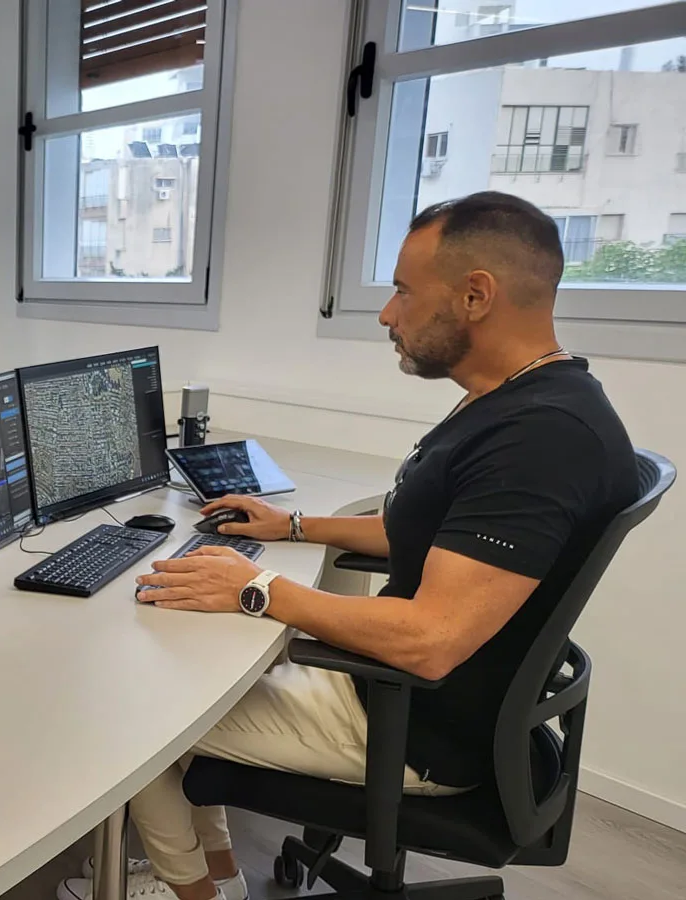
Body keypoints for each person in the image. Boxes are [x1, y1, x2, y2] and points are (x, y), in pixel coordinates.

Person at [58, 190, 640, 900]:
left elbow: (431, 638)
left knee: (137, 714)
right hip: (409, 693)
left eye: (402, 291)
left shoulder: (541, 439)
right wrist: (292, 528)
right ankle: (215, 874)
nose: (388, 314)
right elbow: (421, 537)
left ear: (476, 295)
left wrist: (259, 589)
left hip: (419, 725)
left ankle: (192, 893)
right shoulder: (525, 400)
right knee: (183, 663)